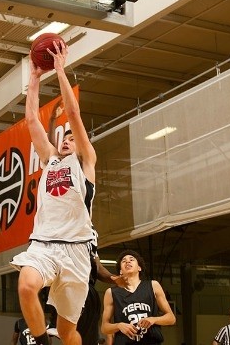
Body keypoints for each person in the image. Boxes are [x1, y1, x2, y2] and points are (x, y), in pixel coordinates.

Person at [11, 40, 119, 345]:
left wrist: (59, 69)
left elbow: (73, 112)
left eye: (73, 137)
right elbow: (31, 120)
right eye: (65, 137)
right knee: (26, 285)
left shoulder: (85, 161)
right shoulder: (49, 160)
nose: (68, 139)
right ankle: (42, 341)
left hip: (77, 251)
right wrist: (33, 78)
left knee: (69, 330)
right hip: (44, 243)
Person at [101, 250, 175, 344]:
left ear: (139, 267)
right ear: (120, 271)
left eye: (131, 259)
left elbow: (171, 318)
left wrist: (154, 319)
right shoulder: (111, 292)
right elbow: (104, 328)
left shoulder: (153, 285)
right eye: (123, 261)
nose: (127, 261)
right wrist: (119, 326)